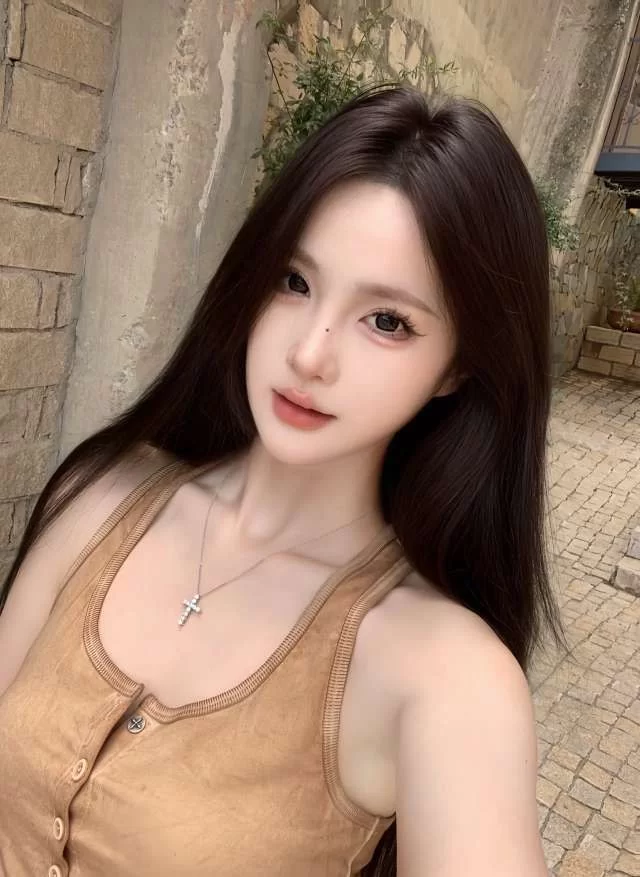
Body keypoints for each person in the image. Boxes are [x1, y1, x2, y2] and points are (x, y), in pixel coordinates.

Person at [0, 82, 565, 876]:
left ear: (458, 367)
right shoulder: (100, 495)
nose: (309, 353)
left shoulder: (445, 677)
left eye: (387, 321)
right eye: (294, 281)